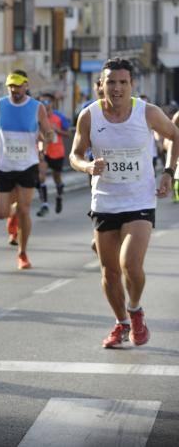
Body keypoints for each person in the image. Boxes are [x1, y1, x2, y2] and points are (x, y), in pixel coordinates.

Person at [69, 57, 179, 349]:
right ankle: (121, 322)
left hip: (140, 200)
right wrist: (87, 167)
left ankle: (135, 307)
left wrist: (168, 172)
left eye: (122, 82)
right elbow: (75, 154)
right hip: (104, 201)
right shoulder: (89, 116)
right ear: (102, 84)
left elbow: (175, 135)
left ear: (132, 85)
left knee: (130, 263)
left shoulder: (147, 113)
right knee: (110, 271)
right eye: (111, 82)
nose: (116, 88)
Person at [0, 69, 53, 270]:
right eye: (11, 85)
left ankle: (22, 253)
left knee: (25, 209)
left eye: (18, 85)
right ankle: (11, 216)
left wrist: (47, 138)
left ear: (26, 86)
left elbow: (47, 130)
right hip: (3, 165)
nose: (14, 89)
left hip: (27, 165)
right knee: (0, 212)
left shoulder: (37, 107)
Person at [35, 93, 71, 216]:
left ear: (51, 103)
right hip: (43, 151)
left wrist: (58, 130)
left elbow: (69, 134)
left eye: (46, 102)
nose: (44, 105)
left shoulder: (59, 117)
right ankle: (44, 204)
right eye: (41, 102)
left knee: (57, 177)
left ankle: (59, 196)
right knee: (40, 176)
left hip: (57, 152)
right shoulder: (37, 117)